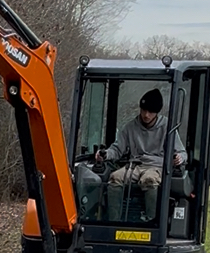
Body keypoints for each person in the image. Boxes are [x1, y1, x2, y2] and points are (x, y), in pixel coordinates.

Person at [78, 87, 186, 222]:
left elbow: (181, 152)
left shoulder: (167, 128)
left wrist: (179, 158)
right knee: (115, 177)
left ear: (157, 113)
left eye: (150, 112)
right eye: (143, 110)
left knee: (149, 180)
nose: (146, 115)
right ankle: (113, 221)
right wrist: (105, 155)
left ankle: (151, 221)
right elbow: (117, 149)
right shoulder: (131, 127)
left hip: (157, 166)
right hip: (134, 165)